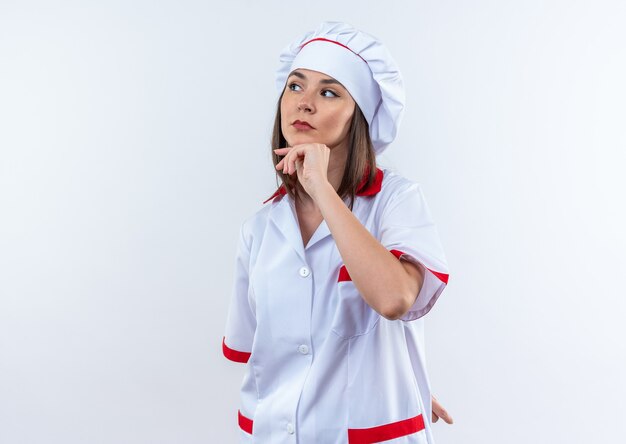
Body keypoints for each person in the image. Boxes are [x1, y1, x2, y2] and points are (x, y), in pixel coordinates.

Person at [222, 22, 452, 443]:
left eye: (329, 92)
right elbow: (261, 354)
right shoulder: (259, 228)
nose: (303, 104)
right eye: (295, 86)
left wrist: (321, 189)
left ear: (358, 115)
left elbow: (394, 298)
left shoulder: (394, 201)